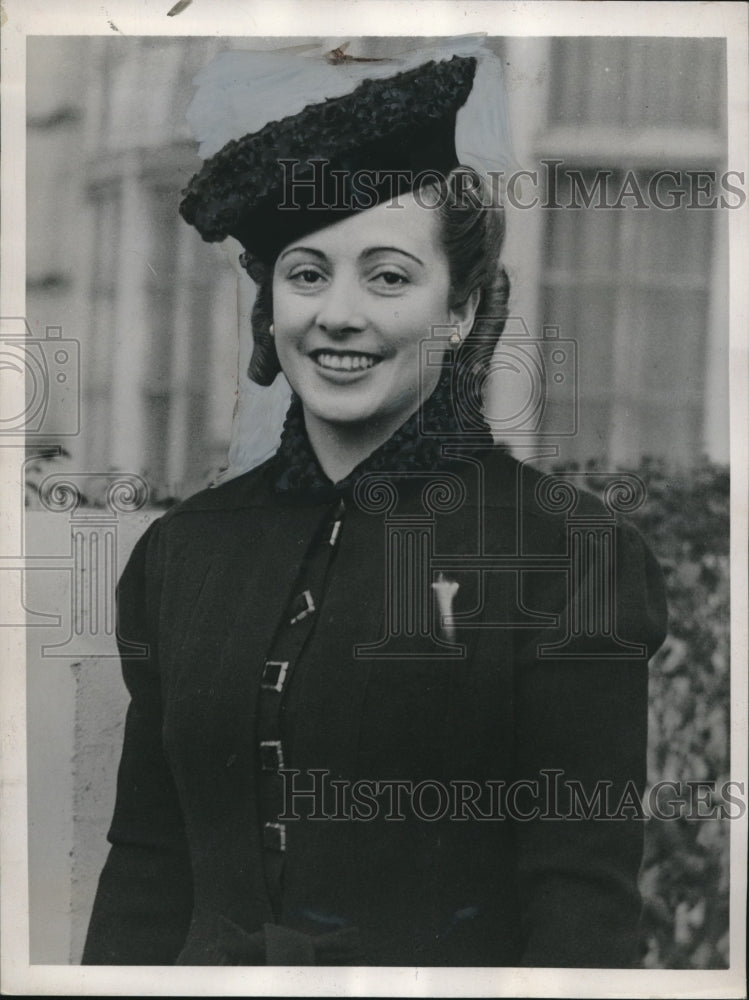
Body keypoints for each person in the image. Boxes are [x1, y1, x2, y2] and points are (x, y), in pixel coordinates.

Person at [82, 39, 667, 968]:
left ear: (463, 310)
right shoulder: (183, 553)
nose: (338, 314)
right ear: (270, 306)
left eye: (388, 276)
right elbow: (147, 870)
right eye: (307, 274)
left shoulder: (568, 556)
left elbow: (580, 907)